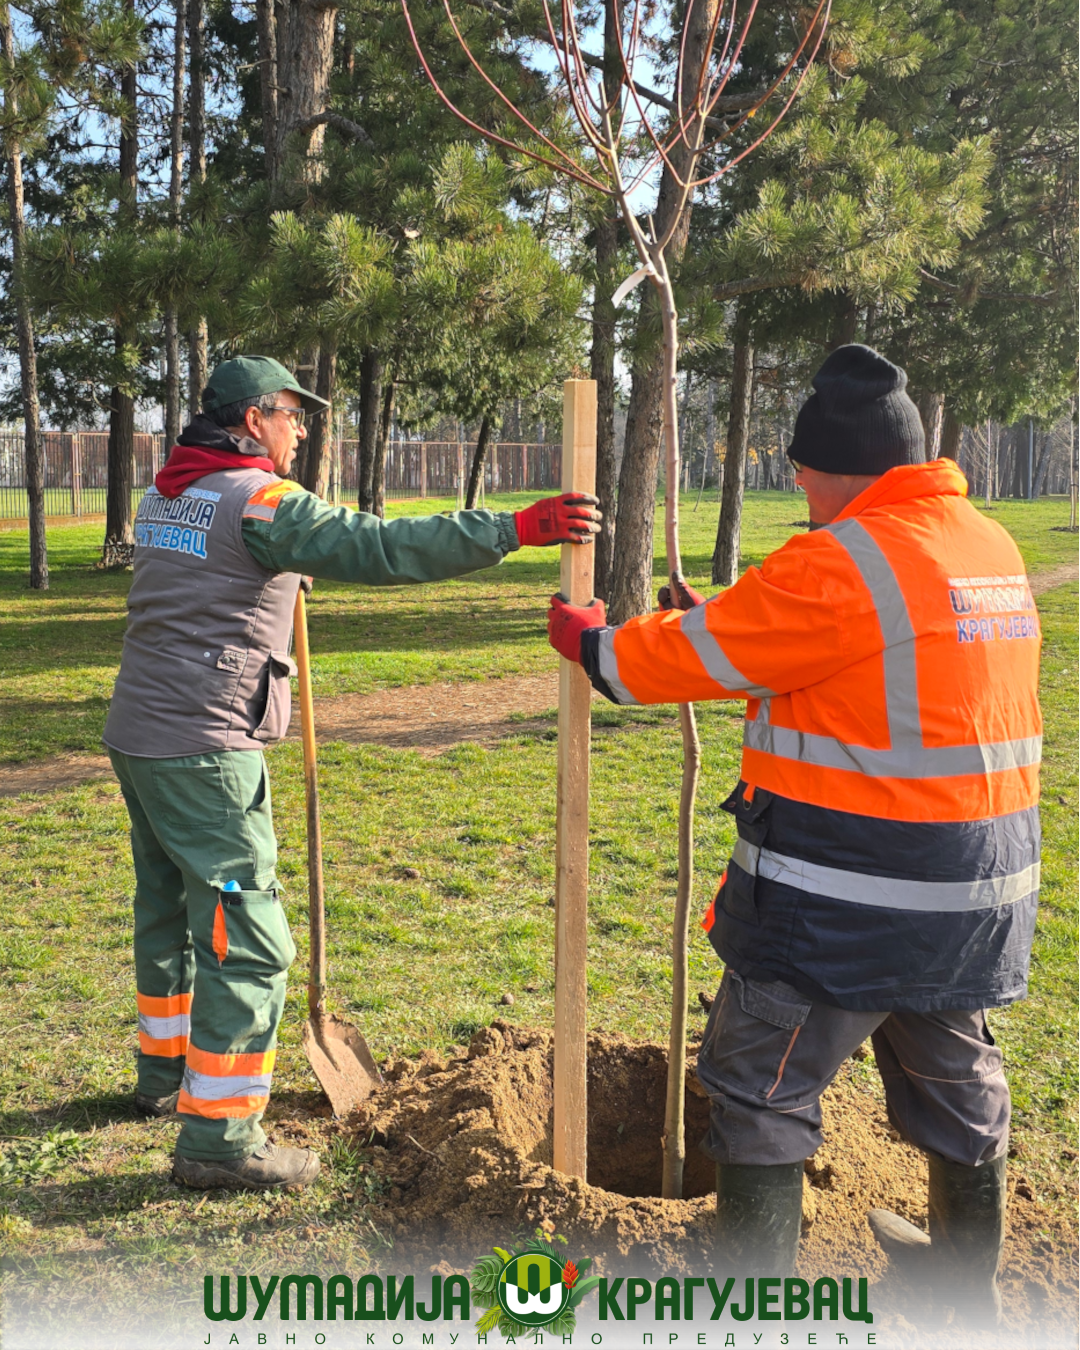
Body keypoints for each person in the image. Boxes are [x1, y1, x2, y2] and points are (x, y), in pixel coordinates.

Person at [547, 345, 1041, 1327]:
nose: (800, 487)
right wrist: (735, 627)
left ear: (846, 470)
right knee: (956, 1081)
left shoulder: (842, 559)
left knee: (758, 1089)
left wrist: (593, 643)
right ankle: (960, 1293)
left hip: (842, 902)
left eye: (805, 470)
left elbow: (657, 666)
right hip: (975, 897)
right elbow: (869, 668)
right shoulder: (985, 545)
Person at [105, 355, 600, 1192]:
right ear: (253, 419)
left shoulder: (168, 493)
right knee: (247, 938)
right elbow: (379, 546)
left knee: (169, 909)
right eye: (291, 415)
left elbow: (209, 578)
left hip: (139, 730)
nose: (302, 431)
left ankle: (166, 1076)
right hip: (204, 746)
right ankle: (218, 1141)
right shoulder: (260, 502)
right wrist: (512, 528)